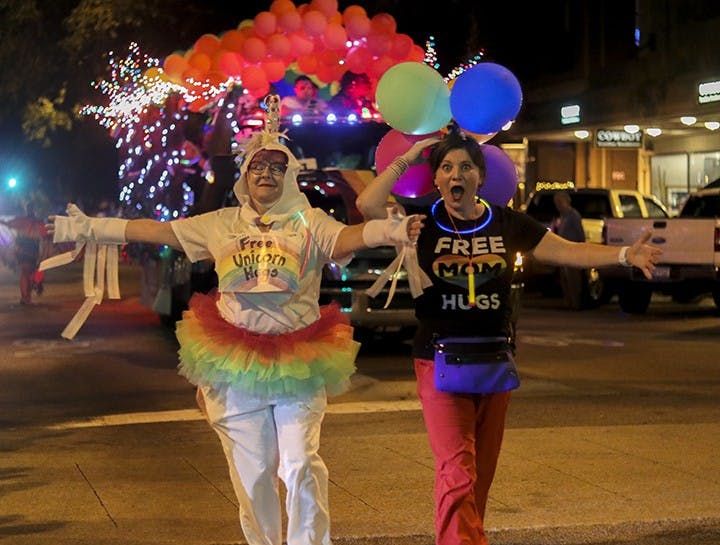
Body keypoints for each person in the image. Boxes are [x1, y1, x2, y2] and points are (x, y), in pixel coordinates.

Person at [46, 96, 424, 545]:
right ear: (245, 177)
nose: (265, 174)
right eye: (257, 167)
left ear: (288, 176)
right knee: (253, 474)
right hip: (233, 363)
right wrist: (90, 227)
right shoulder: (222, 224)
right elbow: (158, 230)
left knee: (300, 461)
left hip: (299, 361)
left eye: (275, 168)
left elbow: (350, 237)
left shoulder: (309, 222)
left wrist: (393, 230)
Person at [355, 125, 662, 545]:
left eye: (465, 166)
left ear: (480, 177)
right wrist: (410, 158)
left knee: (478, 475)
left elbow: (568, 252)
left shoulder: (507, 223)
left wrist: (625, 255)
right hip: (438, 359)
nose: (455, 174)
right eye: (446, 167)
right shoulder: (418, 225)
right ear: (438, 179)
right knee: (457, 469)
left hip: (493, 360)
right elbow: (367, 203)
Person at [1, 201, 47, 304]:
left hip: (24, 249)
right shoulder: (37, 222)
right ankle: (26, 297)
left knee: (27, 273)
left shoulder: (23, 220)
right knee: (27, 273)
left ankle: (26, 297)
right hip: (29, 249)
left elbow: (8, 224)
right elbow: (45, 235)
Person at [551, 190, 586, 309]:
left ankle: (575, 303)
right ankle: (568, 302)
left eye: (560, 202)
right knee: (565, 278)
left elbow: (580, 233)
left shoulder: (573, 215)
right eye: (556, 203)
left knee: (573, 279)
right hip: (563, 251)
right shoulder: (562, 216)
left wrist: (581, 248)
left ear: (566, 201)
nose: (558, 205)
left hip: (572, 251)